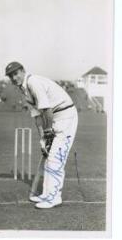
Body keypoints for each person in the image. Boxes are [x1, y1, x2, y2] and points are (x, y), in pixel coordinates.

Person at [5, 61, 78, 209]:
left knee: (55, 159)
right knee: (49, 157)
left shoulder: (33, 82)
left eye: (15, 73)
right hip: (55, 118)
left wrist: (48, 132)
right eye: (10, 76)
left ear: (23, 71)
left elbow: (47, 111)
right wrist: (43, 139)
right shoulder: (24, 90)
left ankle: (54, 197)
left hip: (66, 116)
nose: (14, 78)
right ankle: (46, 193)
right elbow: (37, 117)